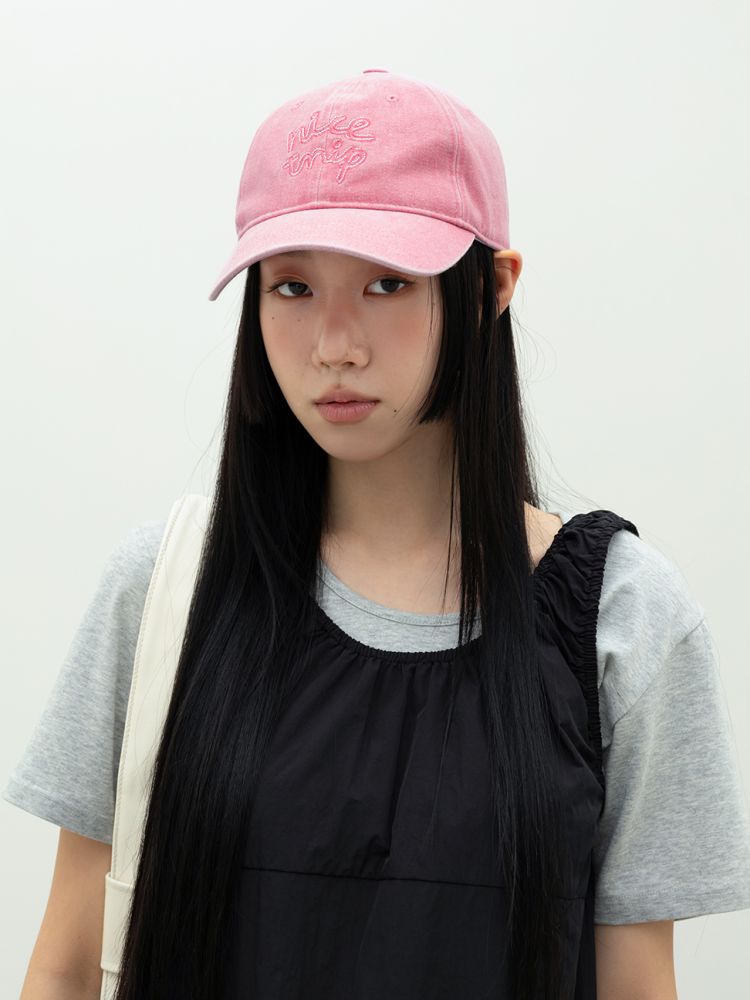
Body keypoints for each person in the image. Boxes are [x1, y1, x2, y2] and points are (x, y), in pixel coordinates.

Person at [4, 68, 750, 1000]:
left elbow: (637, 986)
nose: (335, 345)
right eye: (292, 287)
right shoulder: (165, 591)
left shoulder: (625, 622)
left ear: (492, 288)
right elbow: (67, 968)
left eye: (388, 283)